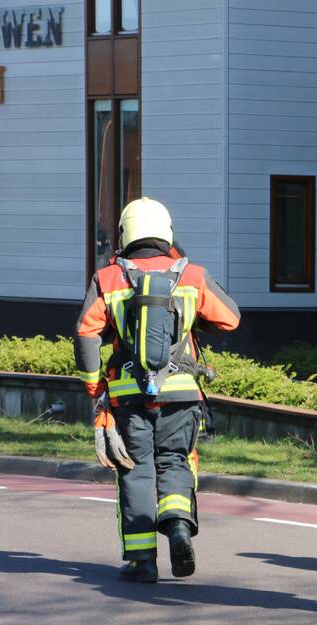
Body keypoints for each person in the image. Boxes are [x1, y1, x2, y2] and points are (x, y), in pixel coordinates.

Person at [75, 197, 240, 583]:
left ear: (124, 234)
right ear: (167, 232)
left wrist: (95, 389)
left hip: (129, 395)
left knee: (135, 470)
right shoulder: (192, 275)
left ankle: (141, 561)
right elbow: (230, 318)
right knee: (176, 462)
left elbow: (85, 334)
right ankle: (179, 525)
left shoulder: (109, 278)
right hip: (181, 392)